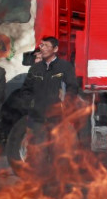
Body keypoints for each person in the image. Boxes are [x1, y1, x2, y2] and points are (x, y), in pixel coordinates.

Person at [20, 36, 78, 179]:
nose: (42, 48)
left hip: (57, 120)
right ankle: (40, 188)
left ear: (55, 49)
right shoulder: (35, 68)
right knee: (39, 155)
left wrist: (65, 106)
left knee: (58, 154)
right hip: (39, 119)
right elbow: (26, 90)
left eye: (46, 45)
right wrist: (31, 106)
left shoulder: (65, 67)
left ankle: (57, 188)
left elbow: (72, 88)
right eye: (41, 45)